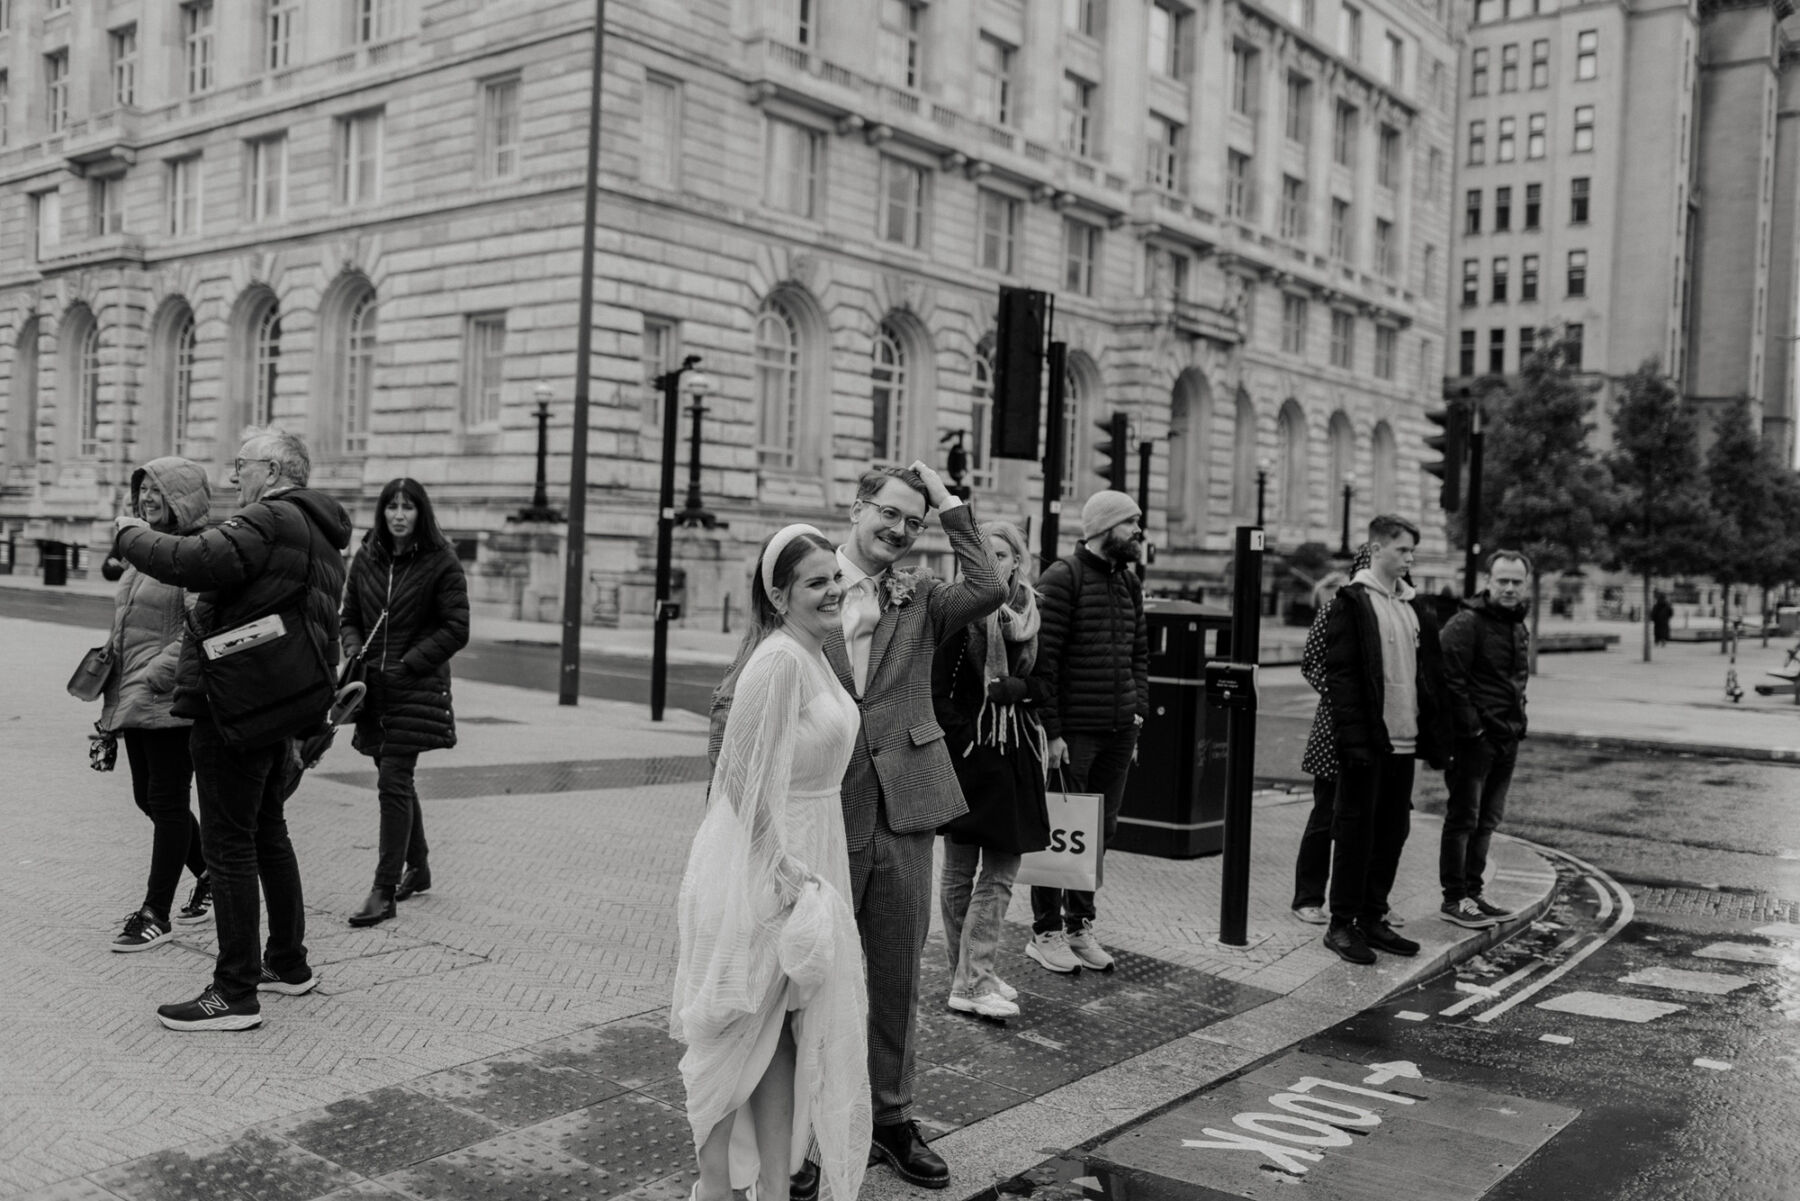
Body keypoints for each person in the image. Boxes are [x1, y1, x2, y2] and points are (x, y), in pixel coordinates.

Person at [715, 462, 1002, 1194]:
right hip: (824, 820)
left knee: (899, 973)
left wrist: (949, 504)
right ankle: (803, 1137)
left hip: (905, 807)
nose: (900, 530)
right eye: (890, 513)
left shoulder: (925, 595)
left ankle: (894, 1118)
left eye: (913, 520)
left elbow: (990, 588)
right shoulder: (809, 586)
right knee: (812, 982)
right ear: (857, 506)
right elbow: (743, 707)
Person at [112, 426, 352, 1031]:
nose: (233, 477)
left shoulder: (271, 519)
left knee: (230, 844)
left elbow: (191, 561)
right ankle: (288, 964)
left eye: (241, 465)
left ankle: (233, 990)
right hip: (277, 698)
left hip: (236, 704)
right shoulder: (319, 528)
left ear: (272, 472)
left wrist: (127, 533)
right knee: (267, 831)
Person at [674, 524, 869, 1201]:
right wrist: (777, 864)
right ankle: (717, 1189)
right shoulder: (780, 659)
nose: (833, 590)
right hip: (766, 862)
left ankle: (776, 1186)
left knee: (784, 1034)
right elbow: (738, 773)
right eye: (816, 582)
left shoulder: (820, 652)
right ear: (780, 596)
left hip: (814, 845)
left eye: (834, 577)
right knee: (735, 1030)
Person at [1023, 490, 1149, 975]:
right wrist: (1052, 732)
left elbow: (1139, 654)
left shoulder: (1129, 583)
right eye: (1131, 523)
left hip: (1118, 731)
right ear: (1103, 528)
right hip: (1074, 733)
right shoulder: (1063, 578)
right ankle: (1045, 932)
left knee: (1099, 832)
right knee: (1061, 832)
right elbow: (1044, 663)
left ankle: (1080, 926)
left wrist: (1136, 712)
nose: (1139, 531)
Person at [1320, 514, 1452, 966]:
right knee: (1356, 832)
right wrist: (1353, 742)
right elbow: (1342, 678)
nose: (1410, 558)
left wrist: (1437, 737)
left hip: (1405, 742)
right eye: (1402, 550)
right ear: (1376, 550)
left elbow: (1429, 677)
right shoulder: (1353, 602)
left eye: (1413, 551)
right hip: (1369, 744)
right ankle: (1341, 924)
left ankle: (1373, 916)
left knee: (1393, 831)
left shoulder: (1413, 605)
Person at [932, 520, 1051, 1020]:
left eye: (1001, 555)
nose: (993, 564)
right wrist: (961, 740)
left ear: (1017, 562)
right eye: (985, 555)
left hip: (1016, 753)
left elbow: (1047, 683)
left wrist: (1017, 690)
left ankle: (971, 973)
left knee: (1001, 871)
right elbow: (938, 686)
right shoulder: (962, 612)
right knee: (961, 871)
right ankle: (973, 979)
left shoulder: (1033, 613)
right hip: (972, 753)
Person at [340, 478, 470, 928]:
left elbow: (456, 628)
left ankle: (383, 889)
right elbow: (350, 616)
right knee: (392, 776)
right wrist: (355, 650)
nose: (399, 515)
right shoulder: (368, 554)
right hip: (372, 688)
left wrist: (410, 663)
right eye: (391, 507)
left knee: (393, 780)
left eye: (407, 507)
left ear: (421, 513)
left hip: (414, 686)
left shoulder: (440, 561)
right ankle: (419, 867)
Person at [98, 457, 215, 952]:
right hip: (135, 695)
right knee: (148, 798)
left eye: (159, 491)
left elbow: (200, 627)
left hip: (169, 700)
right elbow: (127, 623)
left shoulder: (193, 553)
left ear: (182, 498)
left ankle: (155, 913)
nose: (148, 499)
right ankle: (212, 872)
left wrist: (153, 677)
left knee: (166, 802)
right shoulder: (146, 548)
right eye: (143, 489)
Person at [1437, 549, 1531, 928]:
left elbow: (1515, 683)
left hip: (1507, 737)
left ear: (1525, 585)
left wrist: (1519, 721)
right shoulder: (1467, 622)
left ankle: (1473, 892)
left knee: (1488, 819)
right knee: (1463, 818)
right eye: (1502, 580)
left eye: (1516, 582)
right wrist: (1472, 729)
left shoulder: (1517, 624)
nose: (1509, 588)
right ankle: (1454, 898)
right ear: (1488, 581)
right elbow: (1447, 679)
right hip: (1474, 741)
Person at [1289, 559, 1359, 926]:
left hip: (1378, 735)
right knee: (1325, 816)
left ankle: (1367, 899)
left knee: (1372, 822)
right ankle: (1308, 896)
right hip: (1335, 729)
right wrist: (1347, 699)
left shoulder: (1396, 608)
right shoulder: (1336, 608)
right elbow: (1311, 662)